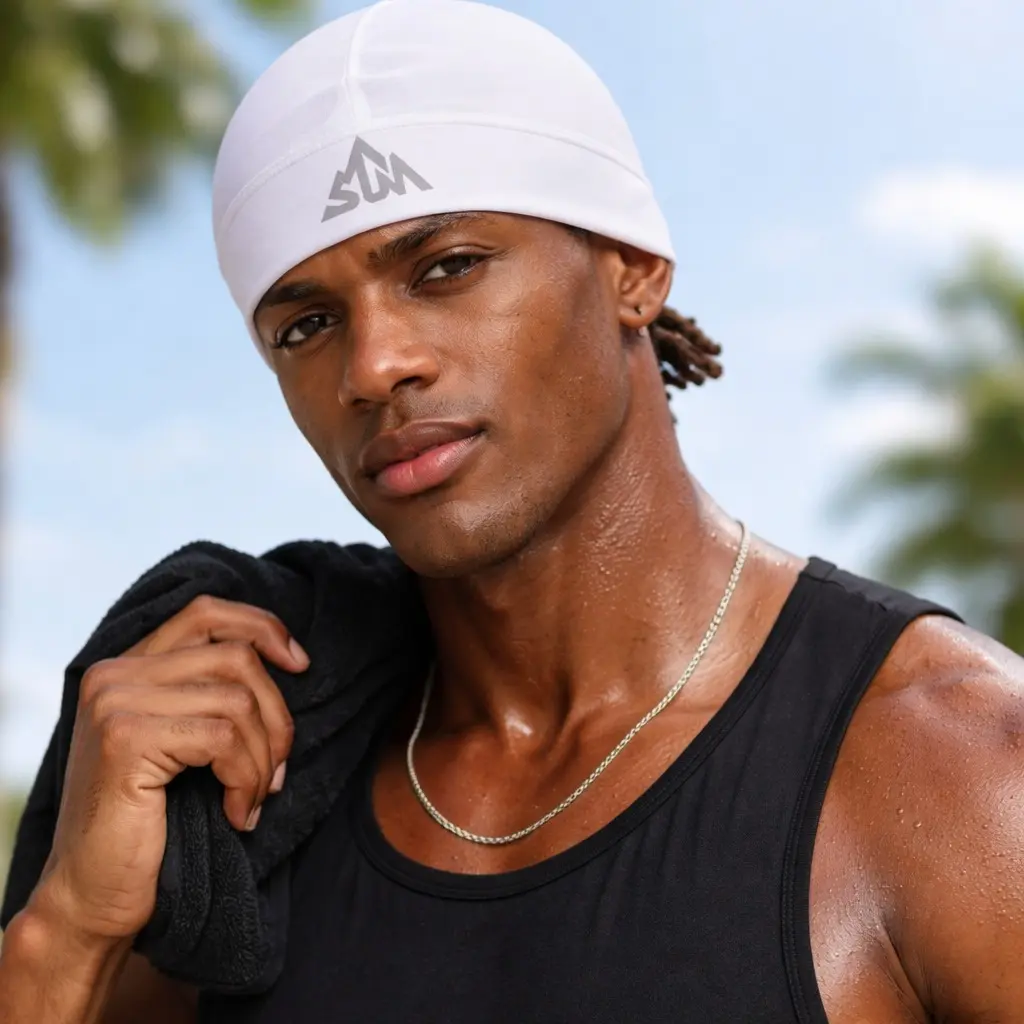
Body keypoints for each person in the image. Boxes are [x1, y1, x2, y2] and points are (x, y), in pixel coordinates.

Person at [2, 1, 1023, 1021]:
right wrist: (69, 928)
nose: (373, 366)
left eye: (446, 268)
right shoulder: (239, 811)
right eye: (307, 325)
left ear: (633, 268)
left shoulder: (960, 772)